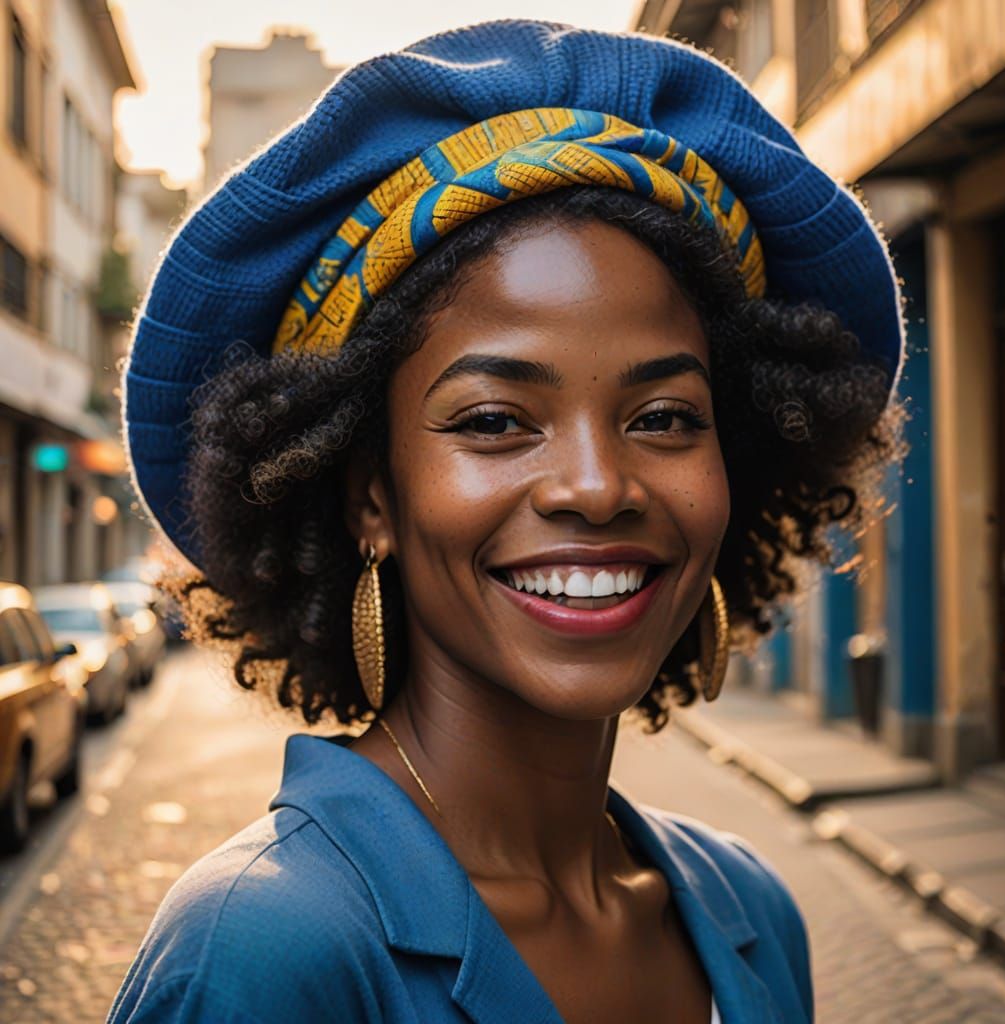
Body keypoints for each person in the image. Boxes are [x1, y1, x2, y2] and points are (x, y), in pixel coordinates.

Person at [109, 19, 903, 1024]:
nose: (595, 484)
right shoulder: (264, 955)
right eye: (494, 421)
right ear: (368, 495)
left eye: (664, 418)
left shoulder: (752, 912)